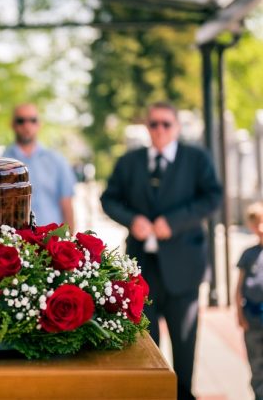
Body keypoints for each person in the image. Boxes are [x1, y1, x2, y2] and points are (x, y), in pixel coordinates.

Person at [100, 101, 222, 400]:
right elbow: (109, 199)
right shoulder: (130, 162)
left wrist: (175, 222)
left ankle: (183, 394)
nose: (159, 130)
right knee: (147, 346)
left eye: (166, 124)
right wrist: (132, 219)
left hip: (185, 267)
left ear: (177, 127)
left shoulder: (196, 159)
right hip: (143, 269)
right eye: (153, 124)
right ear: (147, 127)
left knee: (184, 346)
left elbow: (213, 197)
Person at [2, 103, 76, 229]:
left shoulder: (57, 160)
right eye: (21, 121)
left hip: (51, 241)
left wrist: (70, 241)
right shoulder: (2, 162)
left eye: (33, 120)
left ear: (39, 124)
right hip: (15, 242)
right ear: (13, 125)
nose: (27, 125)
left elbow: (67, 205)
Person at [235, 202, 263, 400]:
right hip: (253, 317)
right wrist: (239, 314)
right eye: (256, 224)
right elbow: (239, 288)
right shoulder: (249, 254)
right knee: (256, 363)